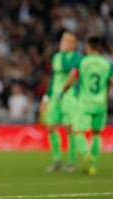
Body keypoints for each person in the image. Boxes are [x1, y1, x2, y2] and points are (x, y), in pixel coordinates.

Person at [60, 35, 113, 175]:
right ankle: (93, 165)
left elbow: (71, 79)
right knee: (96, 134)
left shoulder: (82, 62)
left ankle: (86, 154)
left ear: (88, 47)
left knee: (77, 132)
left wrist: (62, 92)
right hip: (101, 104)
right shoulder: (107, 64)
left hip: (85, 104)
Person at [40, 31, 83, 172]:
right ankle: (57, 160)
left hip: (69, 96)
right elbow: (53, 78)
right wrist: (46, 97)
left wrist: (64, 53)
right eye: (62, 40)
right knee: (51, 127)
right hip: (54, 97)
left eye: (66, 40)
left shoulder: (77, 58)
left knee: (69, 129)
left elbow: (67, 68)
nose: (62, 43)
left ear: (73, 44)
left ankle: (71, 161)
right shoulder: (56, 57)